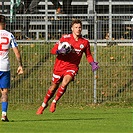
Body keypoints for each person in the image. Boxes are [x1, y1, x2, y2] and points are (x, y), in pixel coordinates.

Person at [36, 19, 99, 115]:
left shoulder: (85, 42)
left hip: (72, 67)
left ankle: (54, 102)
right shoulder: (65, 38)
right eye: (76, 27)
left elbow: (88, 55)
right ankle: (44, 104)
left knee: (65, 83)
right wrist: (59, 51)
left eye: (80, 27)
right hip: (59, 66)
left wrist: (92, 63)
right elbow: (53, 50)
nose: (78, 29)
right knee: (53, 87)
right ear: (72, 28)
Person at [0, 15, 24, 122]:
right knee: (4, 92)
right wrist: (20, 65)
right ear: (5, 23)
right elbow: (17, 53)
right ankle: (4, 115)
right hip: (4, 66)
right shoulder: (9, 35)